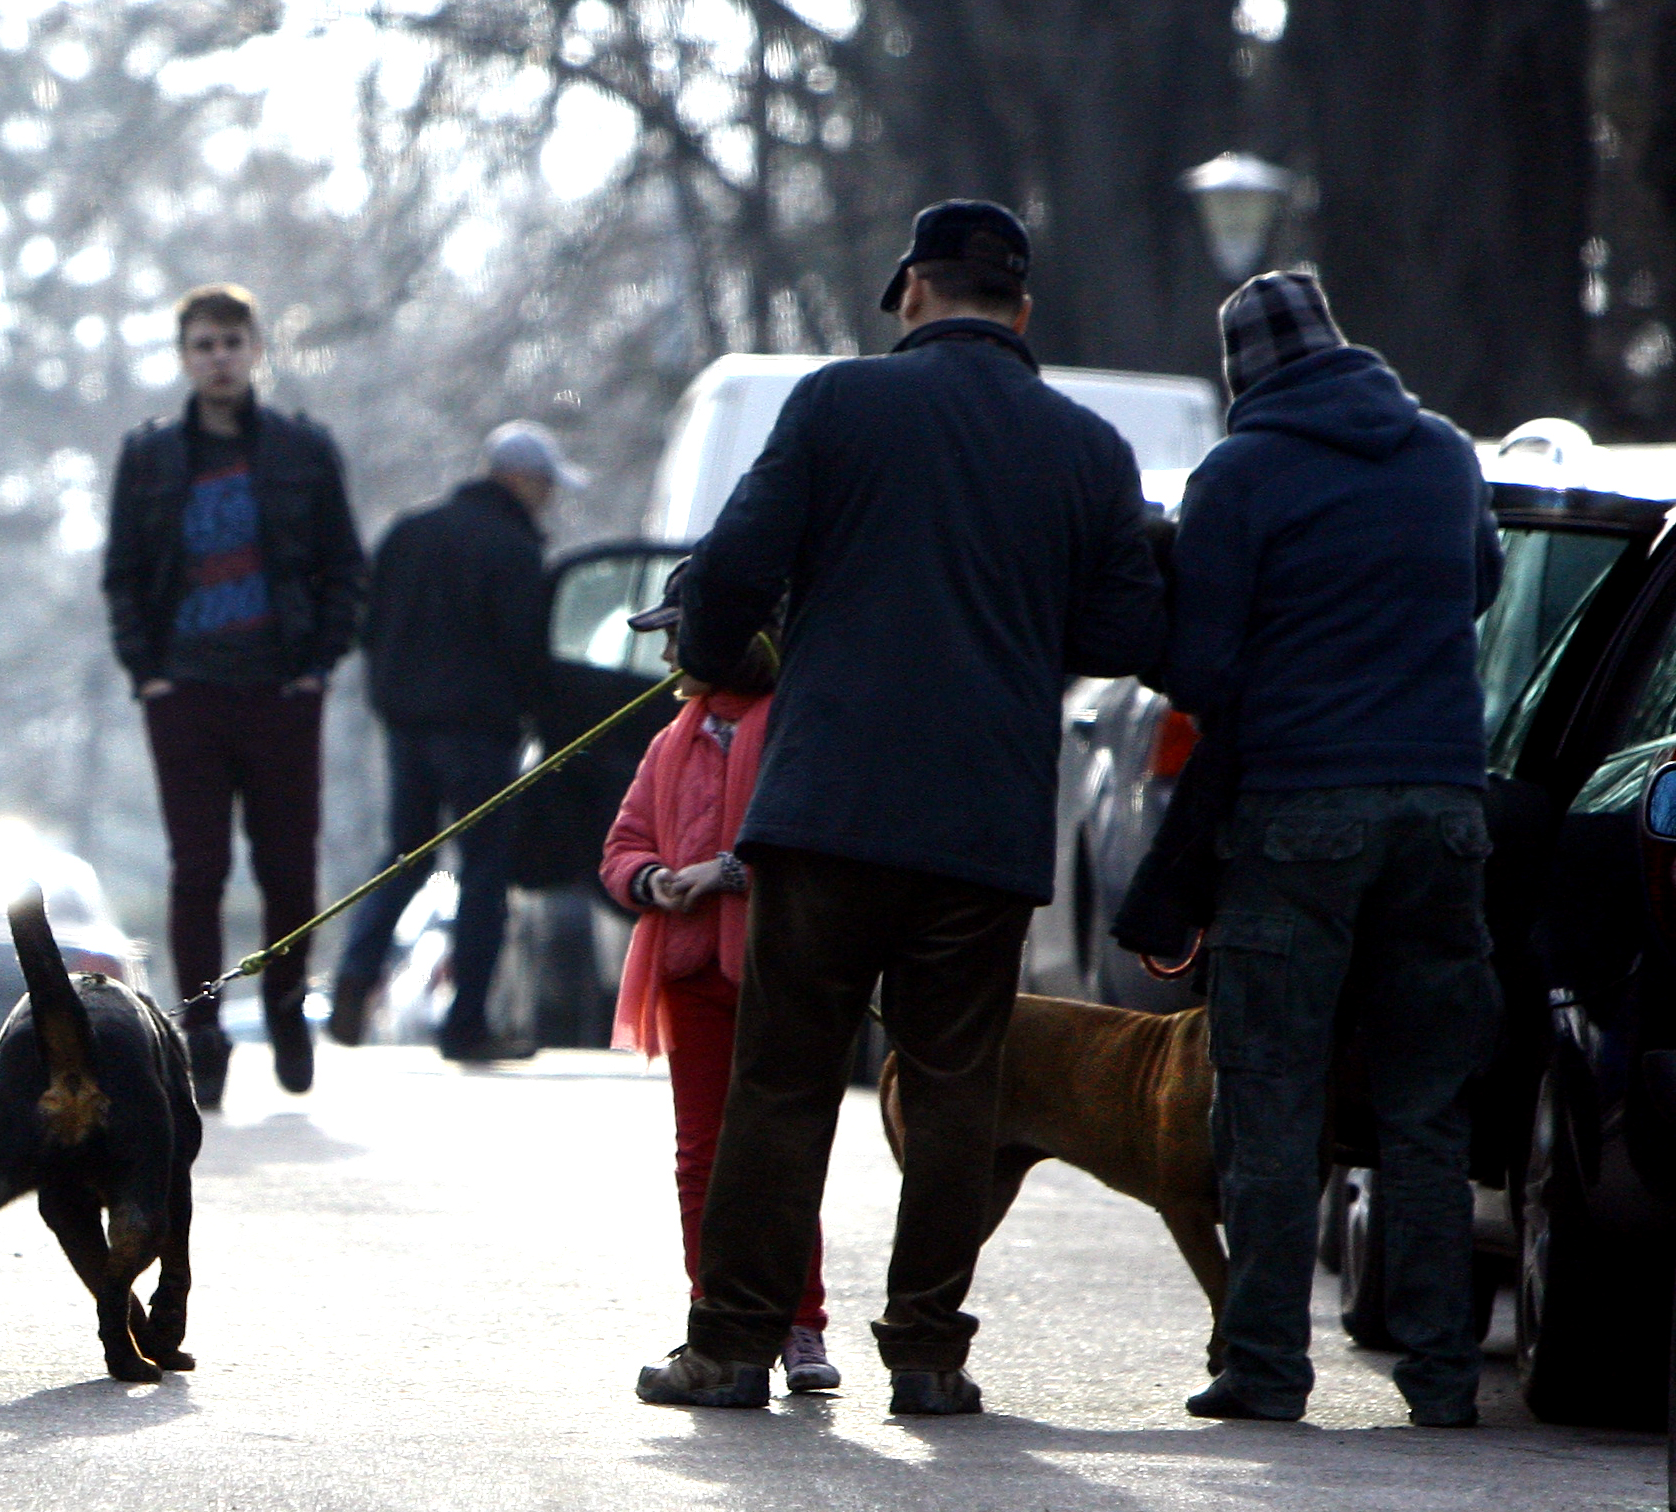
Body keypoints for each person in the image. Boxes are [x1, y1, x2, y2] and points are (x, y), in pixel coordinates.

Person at [634, 201, 1166, 1415]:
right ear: (1022, 315)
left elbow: (731, 571)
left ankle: (730, 1346)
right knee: (954, 1087)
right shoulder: (1086, 448)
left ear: (912, 296)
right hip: (980, 827)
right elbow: (1130, 629)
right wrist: (1024, 634)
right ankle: (927, 1354)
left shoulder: (836, 406)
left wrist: (720, 659)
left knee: (782, 1080)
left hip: (825, 812)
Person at [1151, 271, 1499, 1428]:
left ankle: (1265, 1368)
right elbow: (1483, 582)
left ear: (1242, 375)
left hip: (1300, 811)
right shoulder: (1446, 454)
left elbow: (1201, 670)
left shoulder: (1241, 475)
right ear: (1345, 346)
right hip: (1447, 810)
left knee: (1273, 1100)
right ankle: (1444, 1375)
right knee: (1427, 1110)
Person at [104, 283, 365, 1106]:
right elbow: (121, 574)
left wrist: (318, 665)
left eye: (232, 342)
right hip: (186, 690)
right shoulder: (149, 455)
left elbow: (344, 566)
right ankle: (204, 1031)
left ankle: (288, 1005)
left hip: (281, 689)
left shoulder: (301, 449)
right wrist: (146, 672)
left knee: (289, 866)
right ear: (185, 357)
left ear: (257, 349)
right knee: (198, 868)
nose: (219, 358)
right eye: (203, 345)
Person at [602, 572, 836, 1393]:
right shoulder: (674, 736)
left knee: (780, 1149)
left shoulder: (792, 725)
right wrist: (652, 880)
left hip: (774, 969)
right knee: (701, 1155)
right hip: (691, 975)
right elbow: (624, 842)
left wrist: (729, 872)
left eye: (680, 636)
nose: (668, 653)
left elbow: (809, 835)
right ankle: (716, 1311)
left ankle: (800, 1322)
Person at [326, 421, 571, 1063]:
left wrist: (390, 698)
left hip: (406, 725)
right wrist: (547, 722)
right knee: (483, 871)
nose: (549, 499)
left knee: (407, 852)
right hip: (481, 732)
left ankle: (356, 973)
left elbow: (368, 625)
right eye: (546, 485)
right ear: (519, 479)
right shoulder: (512, 548)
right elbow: (526, 651)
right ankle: (465, 1024)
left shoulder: (410, 530)